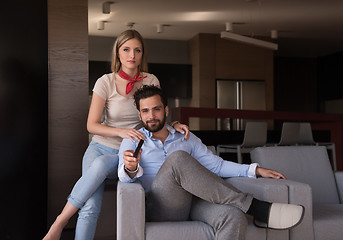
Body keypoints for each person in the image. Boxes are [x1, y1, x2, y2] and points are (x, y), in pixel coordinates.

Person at [43, 30, 189, 240]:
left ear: (142, 54)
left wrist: (173, 123)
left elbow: (156, 114)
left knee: (102, 165)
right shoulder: (105, 82)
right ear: (118, 54)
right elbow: (91, 125)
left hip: (129, 151)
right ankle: (59, 224)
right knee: (90, 206)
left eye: (137, 50)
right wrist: (121, 131)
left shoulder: (151, 80)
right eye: (126, 49)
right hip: (100, 147)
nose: (132, 55)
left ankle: (60, 221)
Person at [118, 85, 305, 239]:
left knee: (234, 216)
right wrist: (131, 168)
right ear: (139, 114)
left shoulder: (185, 137)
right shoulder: (132, 139)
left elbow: (217, 165)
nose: (151, 116)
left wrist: (254, 170)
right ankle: (255, 207)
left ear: (166, 110)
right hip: (160, 207)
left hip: (193, 202)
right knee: (178, 158)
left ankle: (246, 207)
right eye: (145, 111)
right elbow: (124, 178)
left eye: (156, 109)